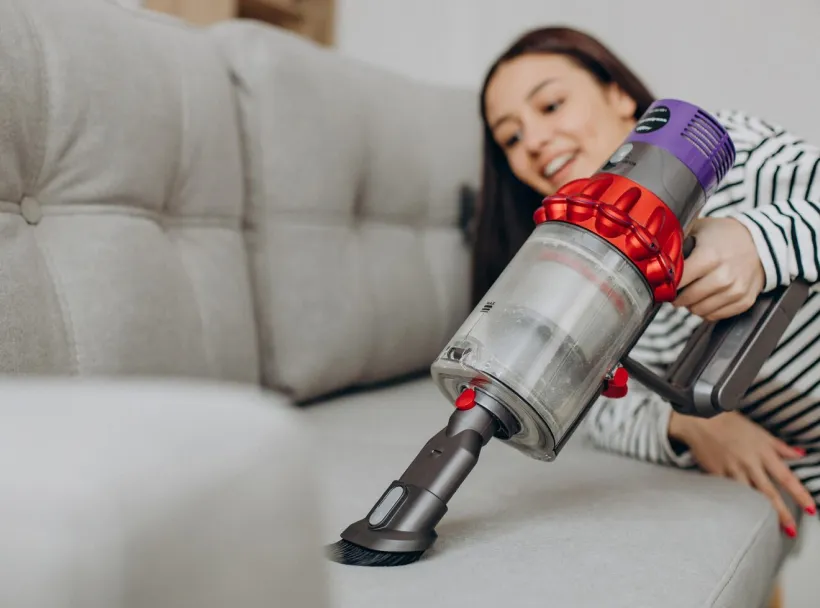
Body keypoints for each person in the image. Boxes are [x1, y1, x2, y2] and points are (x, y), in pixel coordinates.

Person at [472, 25, 820, 539]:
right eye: (512, 138)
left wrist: (759, 244)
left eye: (550, 106)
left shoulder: (727, 153)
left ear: (618, 95)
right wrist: (685, 424)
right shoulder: (572, 272)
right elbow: (591, 406)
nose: (535, 142)